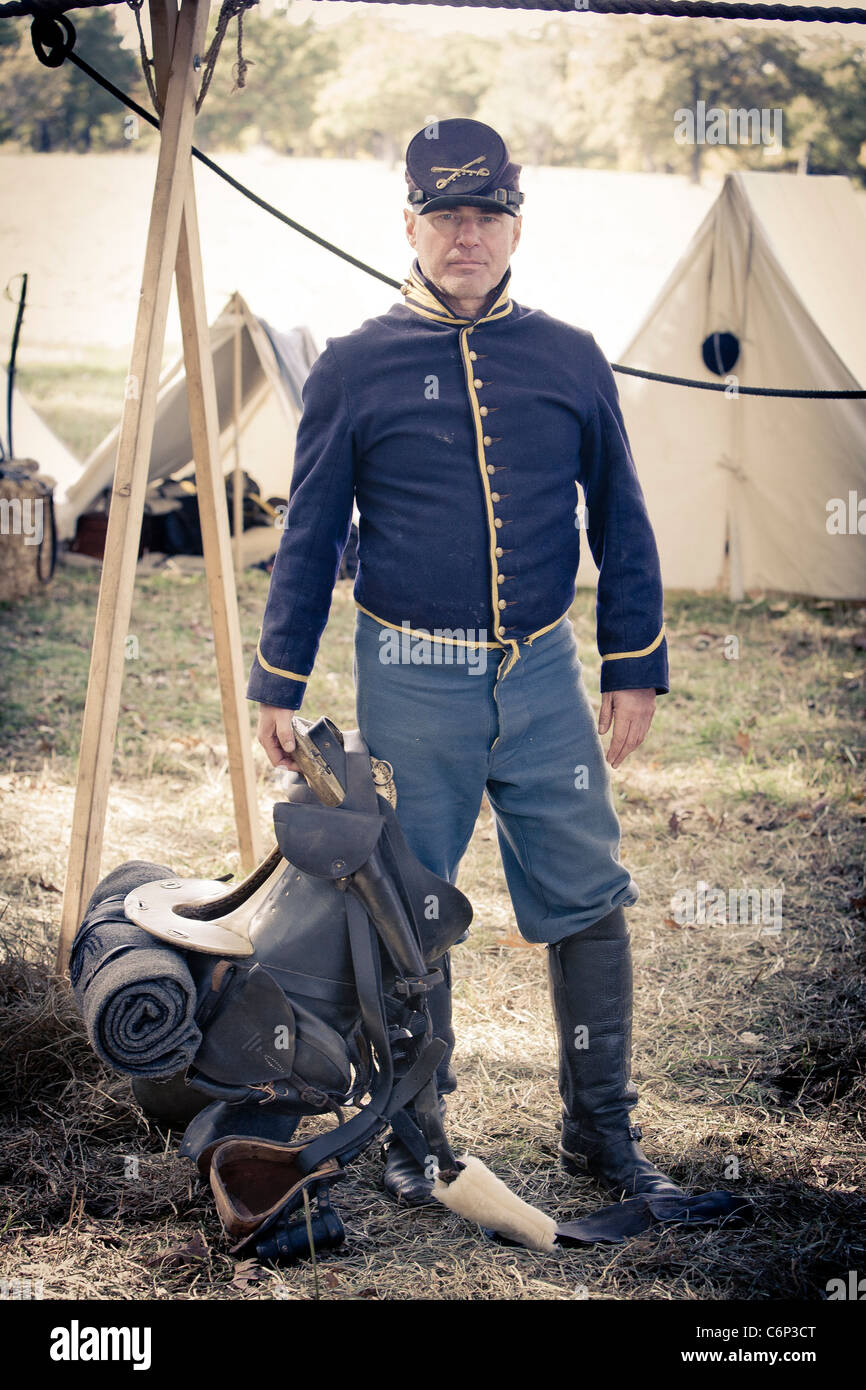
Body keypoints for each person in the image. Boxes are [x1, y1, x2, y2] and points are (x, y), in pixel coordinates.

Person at [248, 118, 681, 1205]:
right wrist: (276, 683)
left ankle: (602, 1134)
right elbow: (307, 533)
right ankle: (416, 1137)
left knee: (587, 897)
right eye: (445, 215)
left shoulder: (569, 358)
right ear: (410, 225)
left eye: (486, 214)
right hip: (408, 674)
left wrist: (632, 663)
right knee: (411, 908)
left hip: (540, 676)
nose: (466, 235)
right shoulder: (353, 368)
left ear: (515, 227)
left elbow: (621, 517)